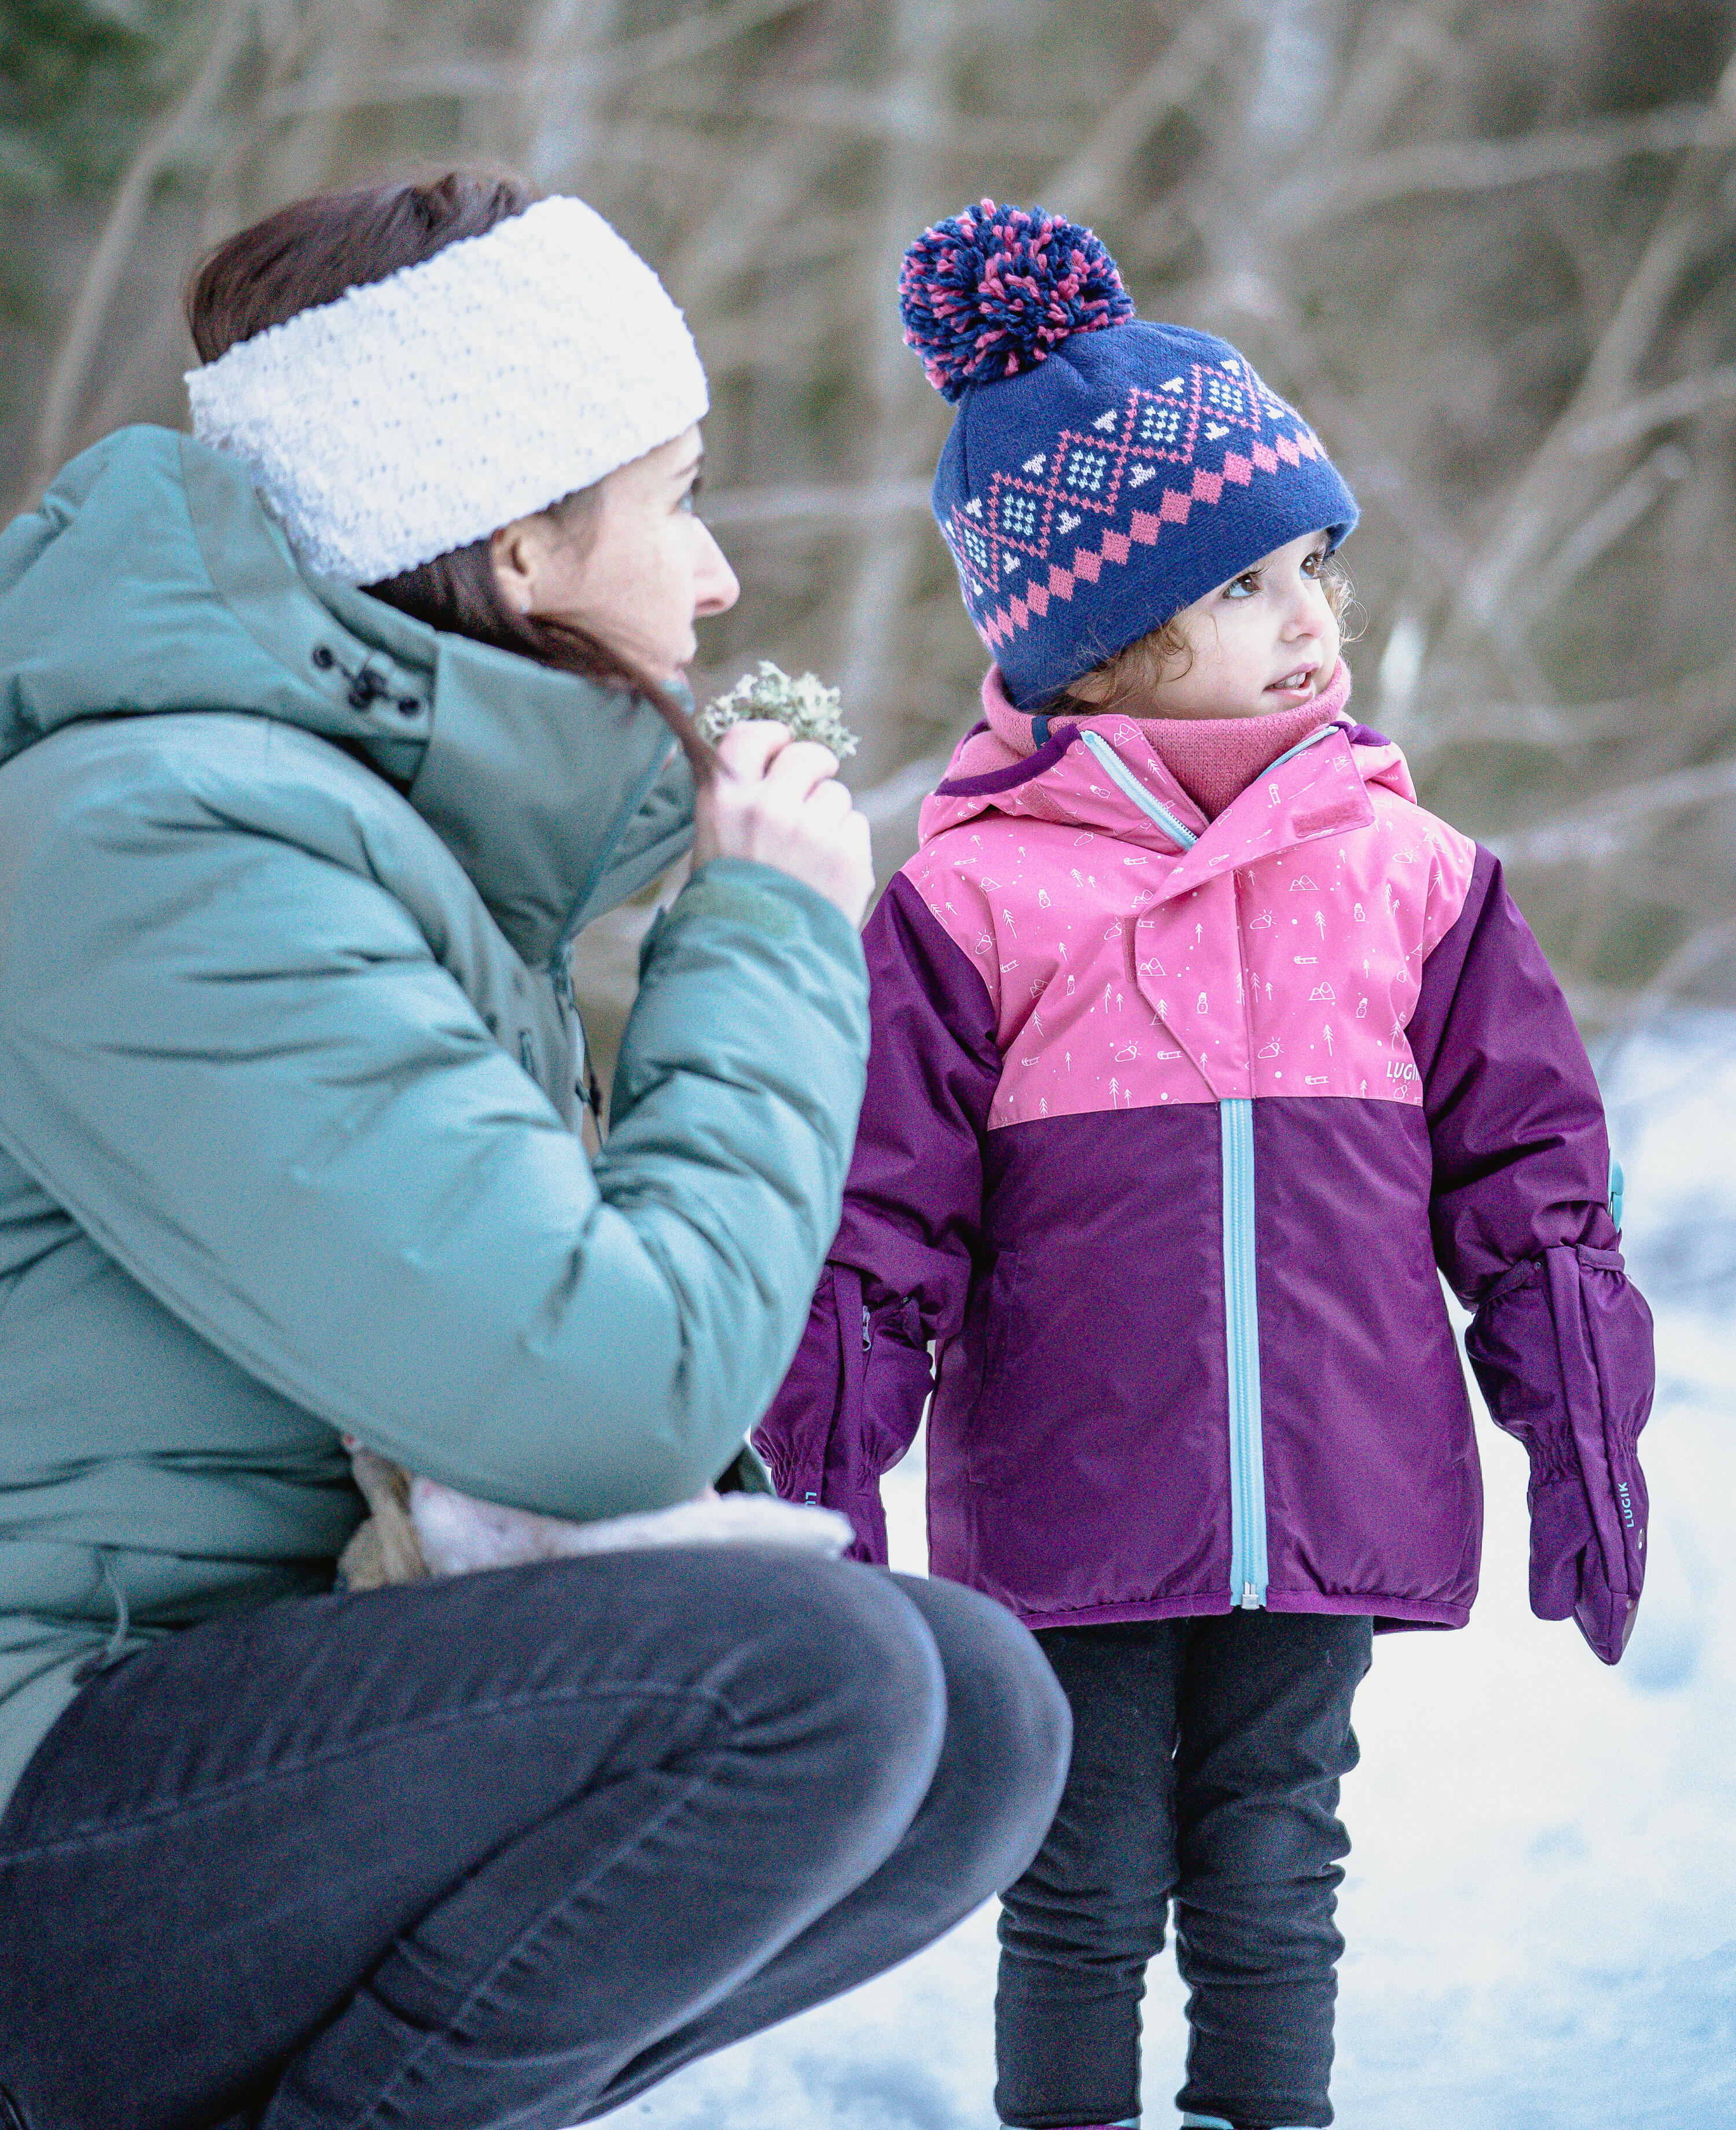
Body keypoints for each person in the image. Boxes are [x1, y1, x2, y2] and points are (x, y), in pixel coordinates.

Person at [0, 174, 1072, 2130]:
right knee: (810, 1682)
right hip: (48, 1779)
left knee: (974, 1711)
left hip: (224, 1725)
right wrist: (760, 943)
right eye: (673, 494)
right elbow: (609, 1395)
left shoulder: (336, 833)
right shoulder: (158, 836)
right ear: (518, 545)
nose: (718, 573)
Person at [755, 198, 1656, 2130]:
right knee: (1075, 1885)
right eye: (1252, 584)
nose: (1316, 616)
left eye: (1318, 564)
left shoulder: (1417, 880)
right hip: (1075, 1504)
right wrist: (823, 1488)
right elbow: (874, 1227)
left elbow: (1531, 1182)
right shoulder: (975, 901)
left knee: (1276, 1871)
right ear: (1103, 628)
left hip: (1327, 1479)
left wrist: (1578, 1419)